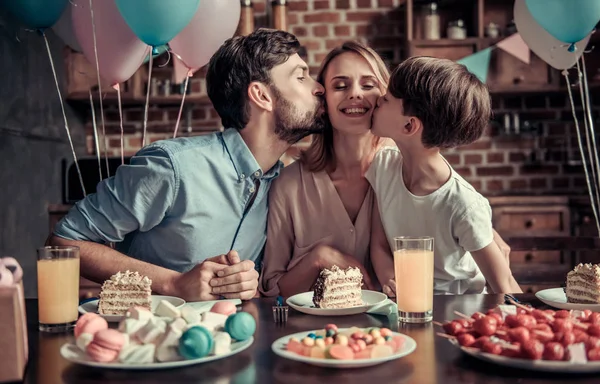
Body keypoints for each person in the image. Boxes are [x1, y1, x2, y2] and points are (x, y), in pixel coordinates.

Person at [47, 28, 326, 302]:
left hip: (230, 343)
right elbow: (64, 242)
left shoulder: (281, 184)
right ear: (262, 96)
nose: (319, 88)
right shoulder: (173, 166)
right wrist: (175, 283)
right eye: (301, 76)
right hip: (150, 340)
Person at [259, 41, 511, 298]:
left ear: (384, 98)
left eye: (369, 85)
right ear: (323, 100)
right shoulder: (289, 185)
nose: (355, 94)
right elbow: (272, 291)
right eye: (340, 85)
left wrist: (484, 230)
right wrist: (319, 259)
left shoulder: (400, 167)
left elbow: (451, 204)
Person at [368, 56, 522, 295]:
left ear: (409, 126)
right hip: (406, 308)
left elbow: (506, 285)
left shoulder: (464, 205)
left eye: (386, 99)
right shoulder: (383, 166)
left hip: (460, 311)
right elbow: (378, 244)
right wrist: (389, 277)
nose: (378, 99)